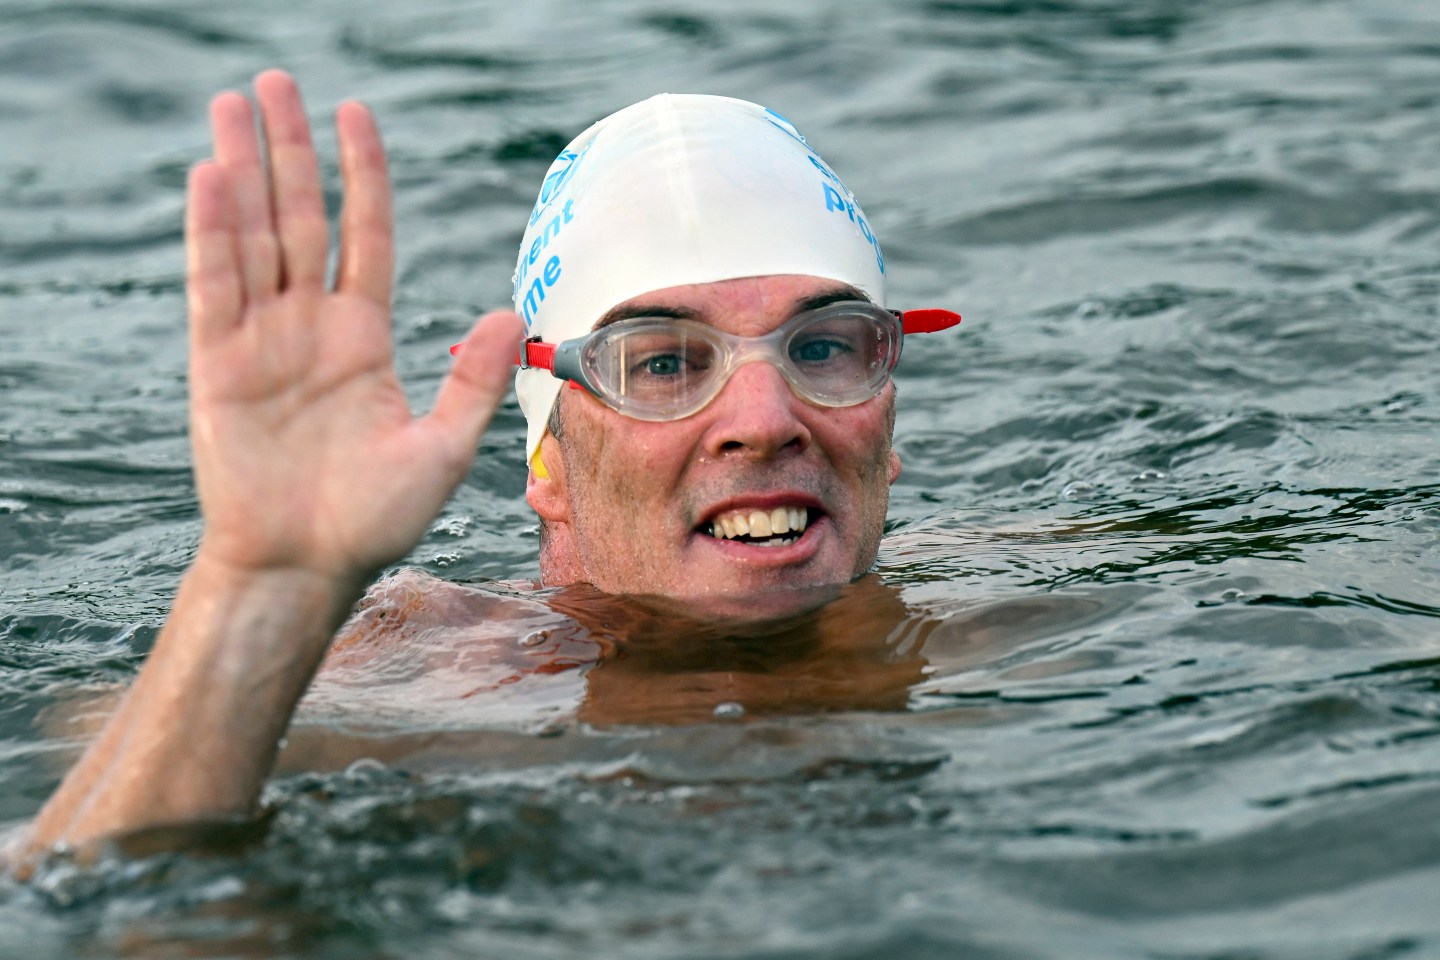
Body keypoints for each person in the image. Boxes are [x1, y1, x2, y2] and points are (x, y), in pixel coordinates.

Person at [7, 70, 958, 870]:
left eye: (825, 348)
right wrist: (268, 585)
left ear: (887, 420)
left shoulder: (999, 621)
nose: (764, 421)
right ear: (547, 460)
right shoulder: (413, 692)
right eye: (663, 364)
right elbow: (81, 884)